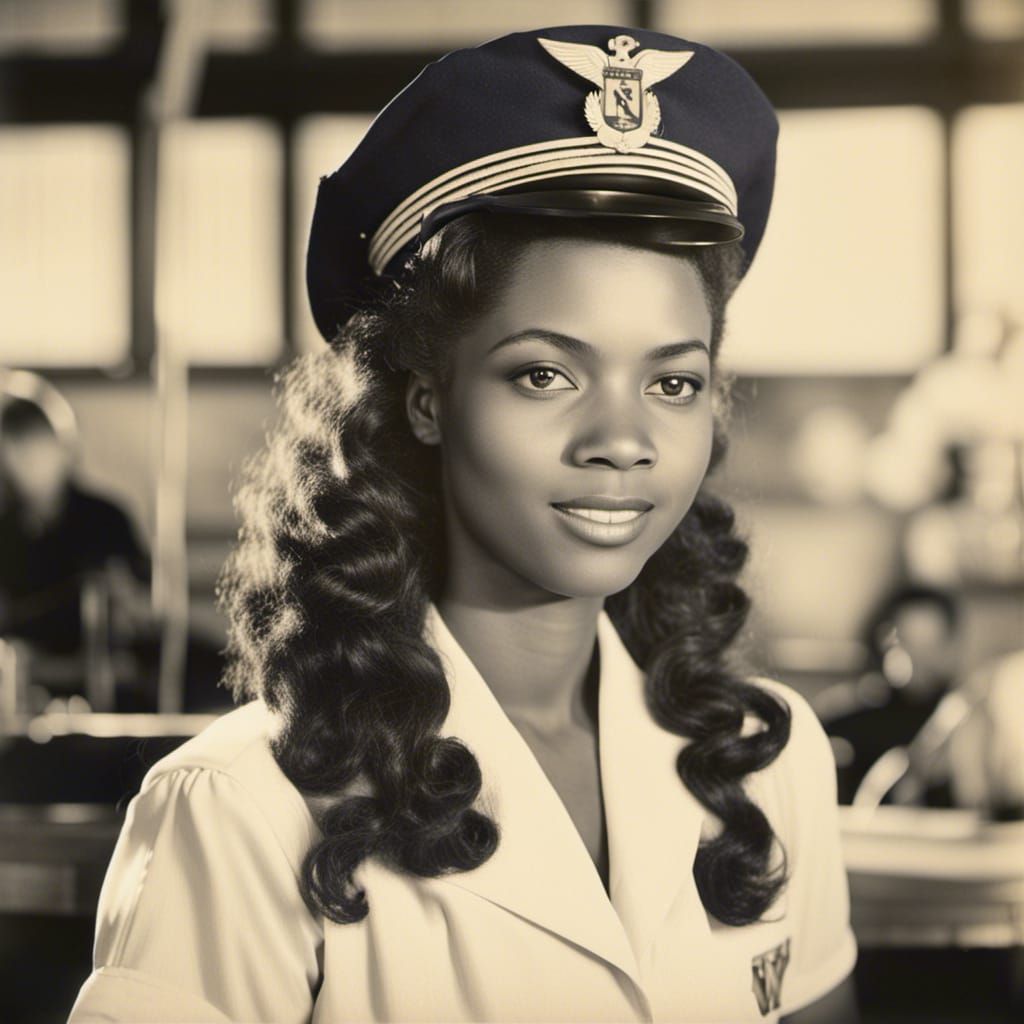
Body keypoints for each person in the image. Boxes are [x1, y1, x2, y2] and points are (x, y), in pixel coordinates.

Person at [70, 24, 857, 1023]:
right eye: (545, 373)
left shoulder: (766, 757)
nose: (623, 438)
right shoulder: (240, 809)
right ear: (426, 398)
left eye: (671, 379)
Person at [0, 394, 152, 663]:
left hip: (107, 664)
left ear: (63, 449)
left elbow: (142, 602)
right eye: (17, 449)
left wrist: (123, 597)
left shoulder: (107, 519)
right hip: (24, 667)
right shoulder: (6, 528)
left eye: (35, 446)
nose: (28, 461)